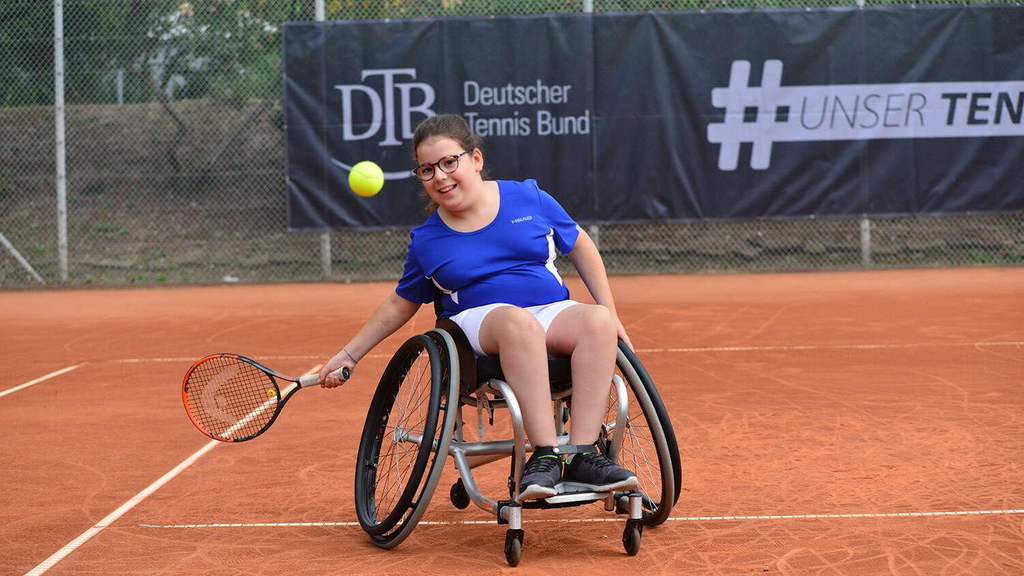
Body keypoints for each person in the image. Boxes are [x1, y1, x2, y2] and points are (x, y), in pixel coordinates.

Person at [319, 113, 637, 500]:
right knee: (516, 323)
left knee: (598, 321)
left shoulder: (527, 197)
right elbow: (402, 303)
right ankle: (546, 454)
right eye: (427, 169)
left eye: (449, 162)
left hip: (548, 311)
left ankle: (581, 454)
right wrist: (351, 354)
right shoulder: (427, 239)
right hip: (478, 324)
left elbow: (580, 243)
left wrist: (611, 309)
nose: (440, 176)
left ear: (475, 160)